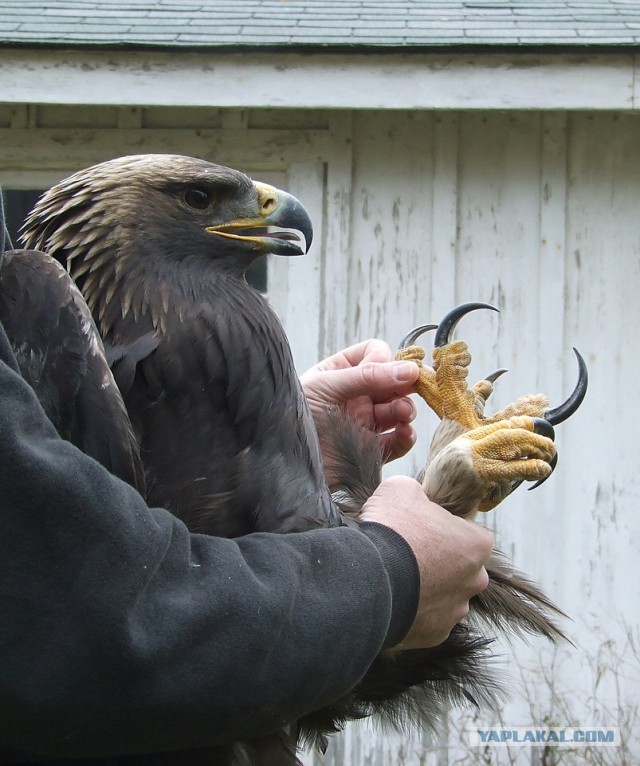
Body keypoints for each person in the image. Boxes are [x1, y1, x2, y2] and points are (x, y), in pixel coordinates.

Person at [0, 196, 491, 762]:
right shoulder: (32, 297)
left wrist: (276, 445)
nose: (271, 204)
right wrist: (390, 574)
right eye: (197, 198)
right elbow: (91, 622)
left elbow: (87, 537)